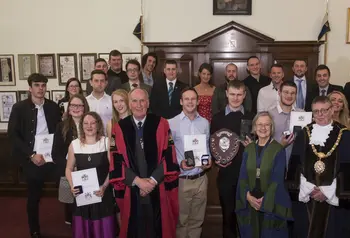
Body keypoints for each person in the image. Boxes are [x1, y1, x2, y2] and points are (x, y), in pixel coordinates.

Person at [109, 88, 180, 238]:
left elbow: (169, 155)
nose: (139, 104)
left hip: (157, 187)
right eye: (134, 101)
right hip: (132, 188)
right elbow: (115, 159)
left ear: (148, 103)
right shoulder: (120, 127)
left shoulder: (161, 124)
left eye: (142, 101)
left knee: (157, 229)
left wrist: (152, 181)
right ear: (129, 104)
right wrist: (138, 182)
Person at [286, 96, 350, 238]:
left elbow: (347, 169)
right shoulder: (304, 133)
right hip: (308, 197)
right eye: (316, 112)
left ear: (332, 110)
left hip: (333, 203)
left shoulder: (345, 135)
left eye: (324, 110)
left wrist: (327, 192)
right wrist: (308, 189)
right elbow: (295, 166)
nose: (320, 115)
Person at [8, 73, 61, 238]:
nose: (41, 88)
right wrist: (31, 155)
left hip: (51, 158)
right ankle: (34, 229)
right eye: (37, 85)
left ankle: (73, 221)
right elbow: (13, 135)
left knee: (68, 186)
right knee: (34, 196)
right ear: (30, 88)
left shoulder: (53, 107)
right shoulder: (19, 108)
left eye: (43, 85)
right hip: (32, 158)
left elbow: (58, 132)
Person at [236, 112, 293, 238]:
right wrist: (247, 196)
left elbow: (277, 180)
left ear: (271, 127)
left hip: (270, 204)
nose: (263, 128)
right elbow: (243, 176)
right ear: (254, 127)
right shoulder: (249, 149)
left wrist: (264, 200)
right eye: (260, 124)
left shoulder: (278, 149)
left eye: (267, 124)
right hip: (251, 201)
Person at [210, 80, 255, 238]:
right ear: (227, 94)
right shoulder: (217, 118)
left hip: (247, 175)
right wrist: (216, 159)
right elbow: (212, 144)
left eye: (239, 95)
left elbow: (260, 146)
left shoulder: (252, 117)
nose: (235, 98)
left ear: (244, 95)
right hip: (226, 174)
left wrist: (253, 146)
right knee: (228, 216)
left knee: (247, 217)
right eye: (232, 94)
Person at [168, 87, 212, 238]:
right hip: (182, 180)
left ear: (198, 101)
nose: (190, 102)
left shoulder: (205, 123)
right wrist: (180, 163)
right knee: (181, 221)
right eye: (186, 99)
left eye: (193, 99)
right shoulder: (171, 124)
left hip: (201, 178)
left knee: (197, 221)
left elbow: (206, 147)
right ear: (181, 102)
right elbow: (167, 152)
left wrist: (208, 160)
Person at [66, 112, 115, 238]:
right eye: (86, 123)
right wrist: (72, 186)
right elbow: (69, 168)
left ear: (98, 125)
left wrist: (104, 187)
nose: (89, 126)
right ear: (81, 126)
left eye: (93, 123)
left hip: (103, 195)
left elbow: (113, 168)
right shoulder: (74, 144)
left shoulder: (106, 142)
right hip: (82, 197)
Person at [52, 94, 89, 225]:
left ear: (85, 107)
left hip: (87, 170)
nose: (76, 108)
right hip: (68, 171)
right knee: (71, 207)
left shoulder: (91, 124)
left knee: (87, 204)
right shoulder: (61, 126)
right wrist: (70, 167)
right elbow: (55, 154)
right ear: (68, 108)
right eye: (73, 105)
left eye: (79, 105)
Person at [106, 89, 131, 228]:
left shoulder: (137, 119)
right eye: (115, 102)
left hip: (135, 169)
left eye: (121, 100)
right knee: (121, 207)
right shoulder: (111, 124)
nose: (119, 104)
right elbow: (111, 149)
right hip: (119, 171)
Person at [268, 81, 303, 164]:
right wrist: (280, 146)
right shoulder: (269, 114)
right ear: (279, 93)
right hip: (274, 161)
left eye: (292, 93)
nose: (289, 96)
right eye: (286, 92)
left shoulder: (302, 114)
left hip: (297, 163)